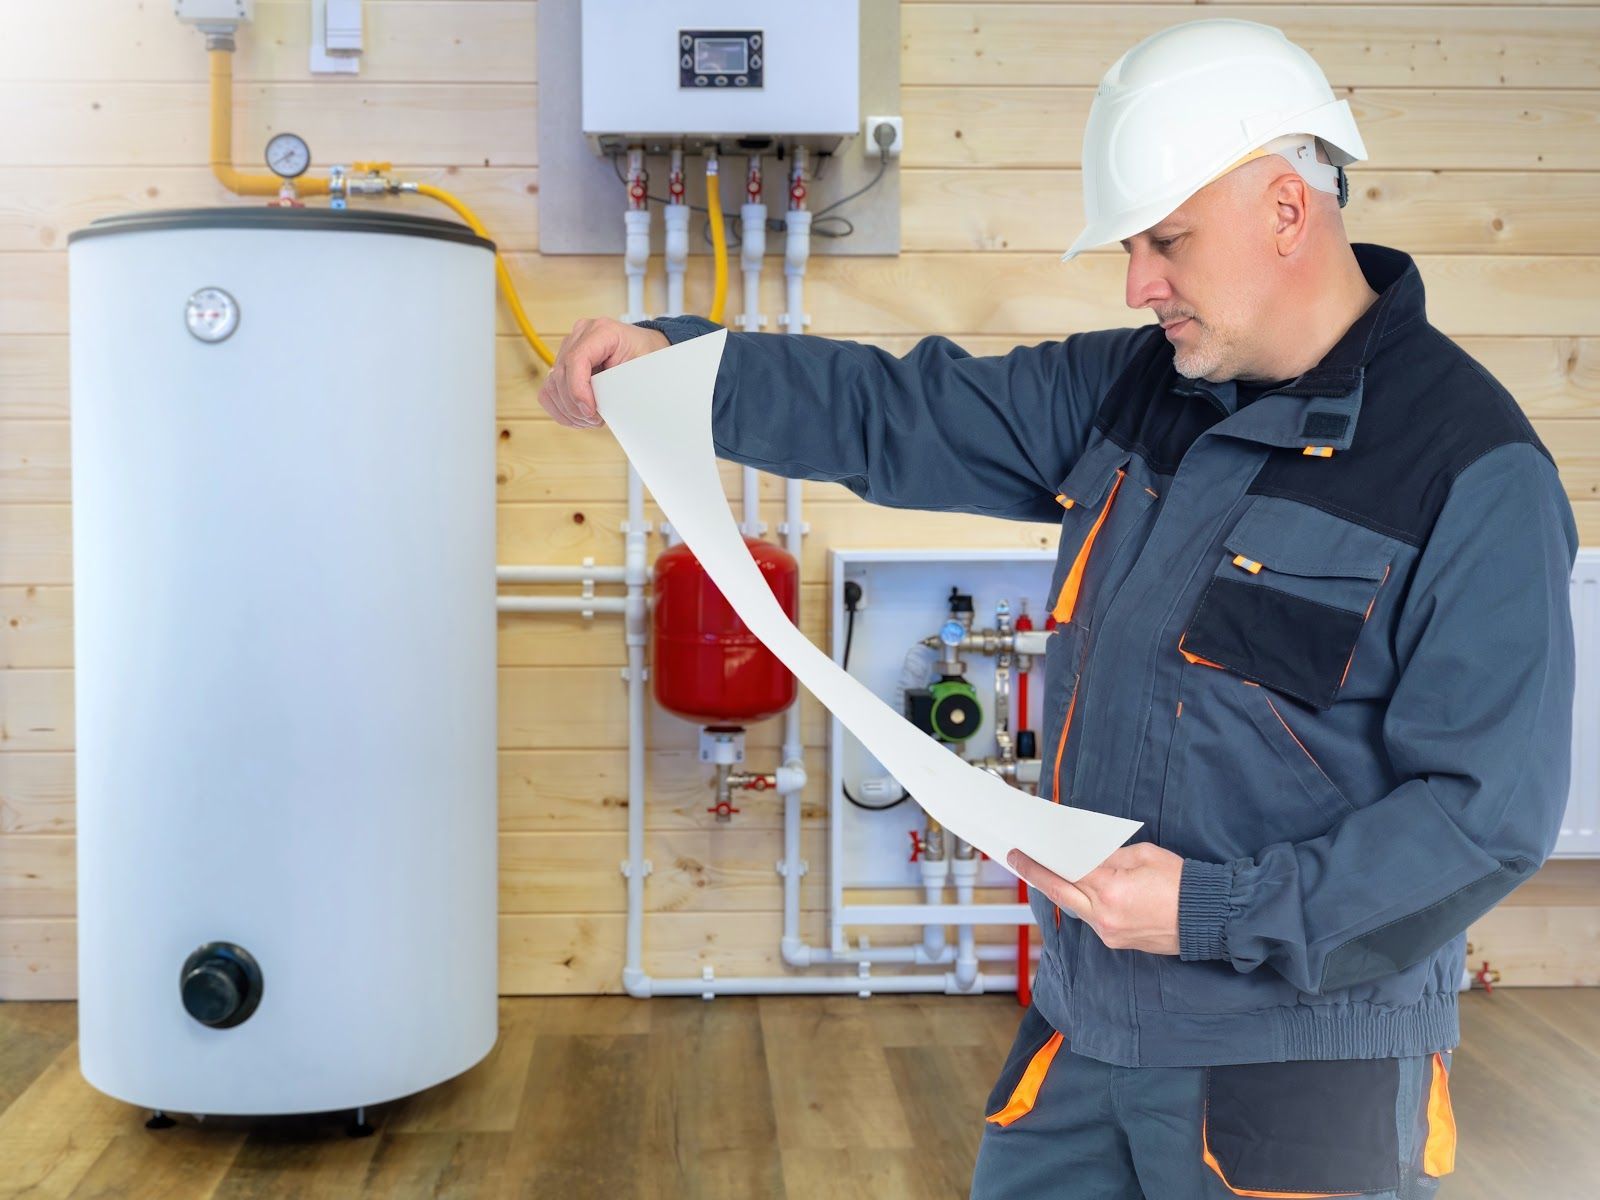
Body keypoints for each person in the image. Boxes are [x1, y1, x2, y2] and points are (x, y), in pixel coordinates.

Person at [539, 18, 1575, 1199]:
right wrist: (675, 366)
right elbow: (898, 412)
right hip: (1087, 1029)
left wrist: (1210, 909)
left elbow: (1480, 823)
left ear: (1289, 212)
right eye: (1134, 246)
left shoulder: (1468, 472)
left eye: (1167, 242)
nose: (1139, 282)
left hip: (1293, 1078)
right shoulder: (1136, 386)